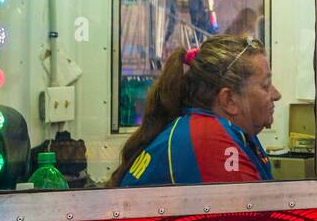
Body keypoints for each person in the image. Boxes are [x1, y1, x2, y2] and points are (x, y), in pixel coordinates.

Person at [111, 35, 277, 186]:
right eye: (265, 85)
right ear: (229, 100)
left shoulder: (226, 132)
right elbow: (251, 215)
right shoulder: (208, 138)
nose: (276, 94)